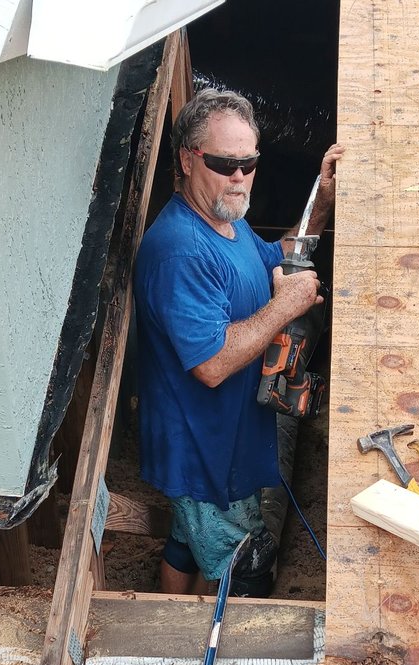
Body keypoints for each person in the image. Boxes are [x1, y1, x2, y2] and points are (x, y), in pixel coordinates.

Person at [134, 87, 343, 596]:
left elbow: (273, 256)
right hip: (203, 452)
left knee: (186, 544)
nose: (239, 177)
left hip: (227, 436)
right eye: (226, 162)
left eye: (249, 163)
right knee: (243, 572)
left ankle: (168, 623)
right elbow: (210, 363)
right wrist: (284, 308)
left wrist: (321, 202)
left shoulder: (226, 220)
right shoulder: (181, 251)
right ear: (187, 159)